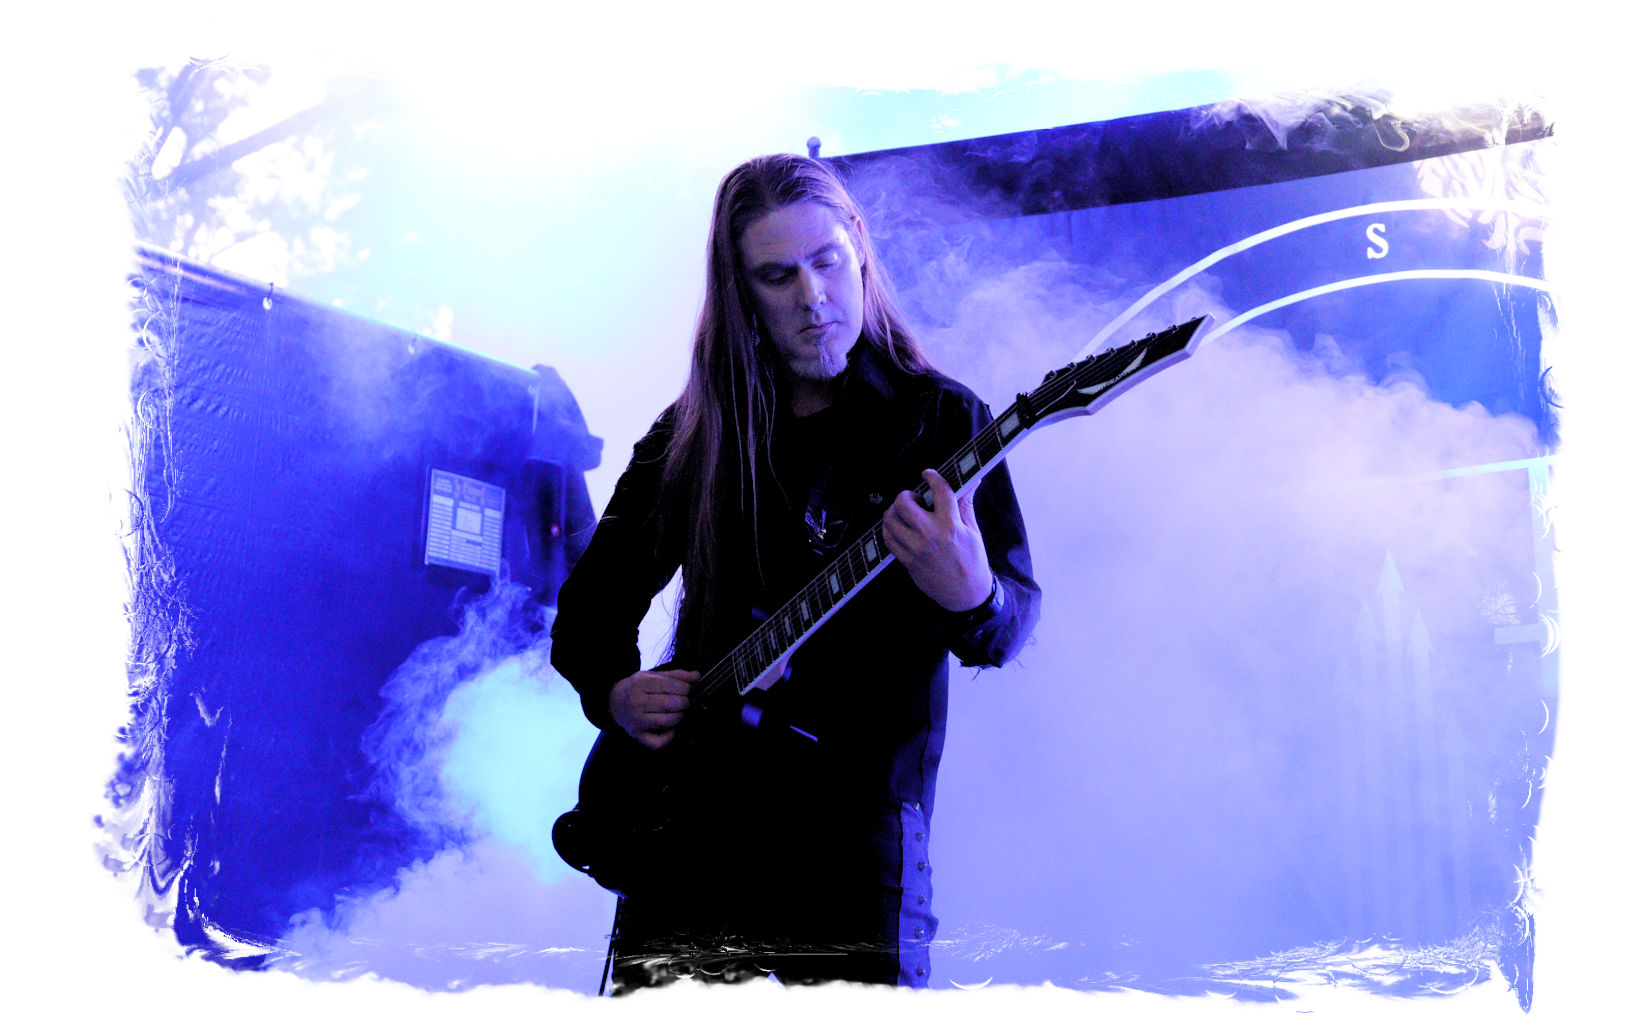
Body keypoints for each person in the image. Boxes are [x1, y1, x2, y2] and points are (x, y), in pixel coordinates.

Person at [550, 153, 1039, 993]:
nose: (812, 298)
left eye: (826, 262)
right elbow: (590, 609)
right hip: (691, 823)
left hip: (855, 837)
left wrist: (972, 594)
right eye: (777, 277)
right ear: (740, 291)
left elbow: (1008, 621)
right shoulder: (693, 433)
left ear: (858, 250)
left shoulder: (941, 419)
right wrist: (616, 693)